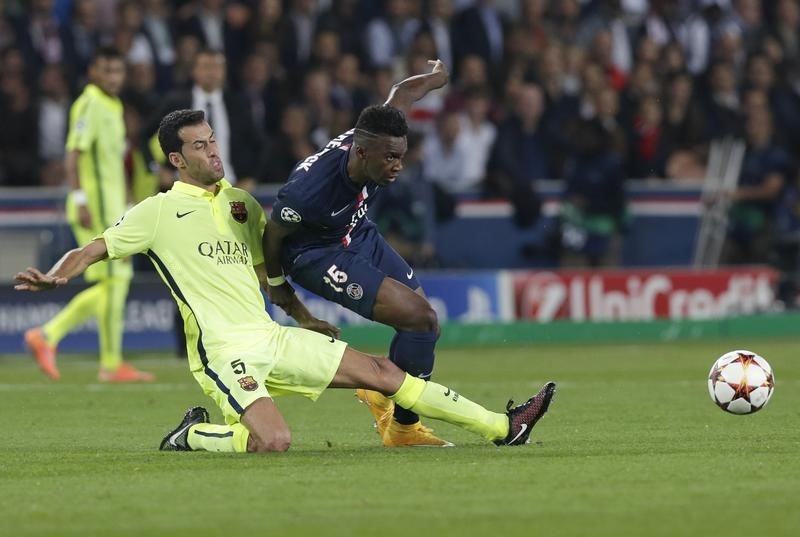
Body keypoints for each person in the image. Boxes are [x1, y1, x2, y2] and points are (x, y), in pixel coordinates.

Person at [14, 109, 557, 453]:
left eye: (213, 140)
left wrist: (303, 318)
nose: (213, 151)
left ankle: (502, 428)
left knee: (384, 371)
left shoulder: (243, 206)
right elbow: (92, 249)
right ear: (177, 160)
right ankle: (191, 434)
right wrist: (58, 277)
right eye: (200, 146)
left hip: (271, 335)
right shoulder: (156, 212)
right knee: (273, 441)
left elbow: (268, 276)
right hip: (223, 351)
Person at [263, 59, 453, 447]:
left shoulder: (378, 133)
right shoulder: (308, 194)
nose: (398, 165)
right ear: (362, 153)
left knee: (423, 324)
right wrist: (281, 291)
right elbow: (272, 233)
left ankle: (387, 401)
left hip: (356, 232)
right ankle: (402, 427)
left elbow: (402, 93)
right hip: (316, 254)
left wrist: (436, 78)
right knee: (420, 318)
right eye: (390, 158)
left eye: (401, 156)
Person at [23, 47, 154, 383]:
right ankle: (58, 339)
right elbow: (73, 154)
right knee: (114, 282)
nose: (113, 77)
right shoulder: (90, 102)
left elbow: (114, 164)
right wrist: (80, 198)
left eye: (118, 71)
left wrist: (127, 205)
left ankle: (105, 361)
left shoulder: (115, 105)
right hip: (93, 209)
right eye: (106, 70)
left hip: (113, 210)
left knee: (115, 284)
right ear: (94, 72)